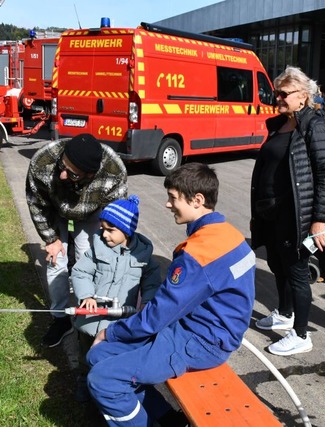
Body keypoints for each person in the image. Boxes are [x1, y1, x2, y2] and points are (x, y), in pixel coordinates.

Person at [85, 163, 256, 426]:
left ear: (197, 200)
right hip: (200, 329)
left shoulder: (198, 254)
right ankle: (167, 419)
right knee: (97, 356)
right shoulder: (230, 235)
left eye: (173, 198)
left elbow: (156, 316)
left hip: (199, 342)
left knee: (102, 379)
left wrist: (110, 332)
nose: (167, 204)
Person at [251, 66, 325, 356]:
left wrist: (319, 220)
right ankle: (284, 315)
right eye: (277, 93)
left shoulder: (314, 124)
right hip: (272, 213)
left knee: (297, 272)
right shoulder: (280, 124)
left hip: (296, 215)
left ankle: (301, 335)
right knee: (278, 265)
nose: (278, 98)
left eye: (284, 94)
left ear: (303, 96)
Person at [26, 134, 128, 348]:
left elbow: (116, 212)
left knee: (88, 258)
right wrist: (51, 239)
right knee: (56, 262)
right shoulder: (43, 162)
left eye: (71, 173)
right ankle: (61, 320)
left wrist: (109, 239)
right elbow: (36, 204)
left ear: (90, 175)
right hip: (55, 209)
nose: (62, 175)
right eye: (62, 166)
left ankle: (89, 316)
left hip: (90, 213)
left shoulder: (113, 170)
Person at [70, 195, 161, 402]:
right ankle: (84, 381)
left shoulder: (143, 256)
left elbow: (152, 282)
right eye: (102, 228)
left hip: (117, 322)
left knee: (110, 357)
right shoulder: (97, 248)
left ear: (127, 231)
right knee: (86, 354)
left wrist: (147, 301)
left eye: (111, 230)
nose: (105, 235)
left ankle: (104, 385)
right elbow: (80, 272)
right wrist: (87, 295)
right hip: (91, 320)